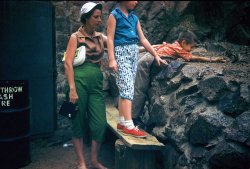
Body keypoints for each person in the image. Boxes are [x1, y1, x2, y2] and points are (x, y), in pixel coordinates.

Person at [132, 30, 227, 124]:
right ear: (184, 43)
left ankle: (133, 117)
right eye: (191, 47)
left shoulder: (174, 45)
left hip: (147, 59)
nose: (192, 50)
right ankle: (133, 118)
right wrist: (211, 59)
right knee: (140, 90)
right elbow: (191, 57)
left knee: (140, 89)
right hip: (146, 62)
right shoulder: (178, 48)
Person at [107, 1, 167, 138]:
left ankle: (122, 122)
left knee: (126, 88)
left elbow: (143, 40)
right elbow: (110, 39)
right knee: (127, 88)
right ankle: (129, 125)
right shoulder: (114, 15)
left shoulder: (134, 18)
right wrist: (111, 59)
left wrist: (155, 54)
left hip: (133, 53)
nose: (136, 2)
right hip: (121, 52)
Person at [64, 2, 107, 169]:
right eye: (95, 17)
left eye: (100, 17)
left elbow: (119, 45)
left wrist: (152, 48)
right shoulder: (75, 37)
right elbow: (68, 64)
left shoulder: (100, 37)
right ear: (86, 18)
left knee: (100, 124)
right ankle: (82, 163)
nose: (99, 20)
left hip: (96, 84)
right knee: (77, 122)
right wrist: (72, 89)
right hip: (79, 83)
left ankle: (94, 161)